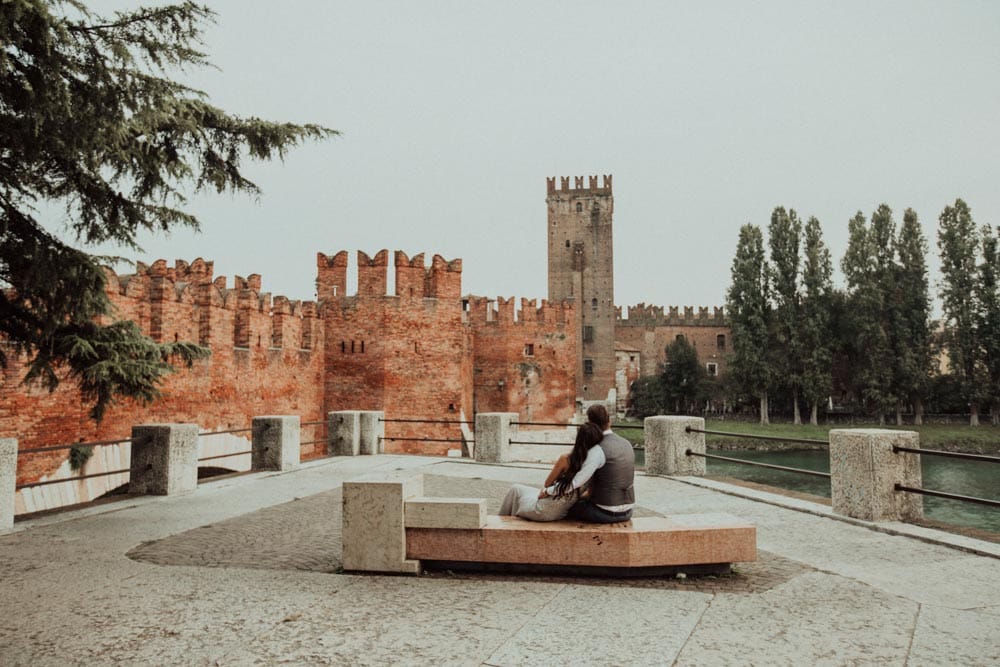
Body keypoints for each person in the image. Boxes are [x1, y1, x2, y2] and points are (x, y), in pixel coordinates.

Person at [540, 404, 635, 523]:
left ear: (590, 423)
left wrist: (546, 491)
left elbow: (575, 484)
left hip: (606, 512)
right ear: (609, 420)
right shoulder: (627, 443)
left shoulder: (597, 450)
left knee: (567, 507)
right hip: (628, 510)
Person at [498, 422, 603, 521]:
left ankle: (500, 522)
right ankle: (509, 522)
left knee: (515, 490)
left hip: (542, 509)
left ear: (579, 439)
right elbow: (588, 494)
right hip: (560, 512)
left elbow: (547, 483)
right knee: (519, 494)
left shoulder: (566, 459)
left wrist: (551, 489)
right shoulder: (592, 469)